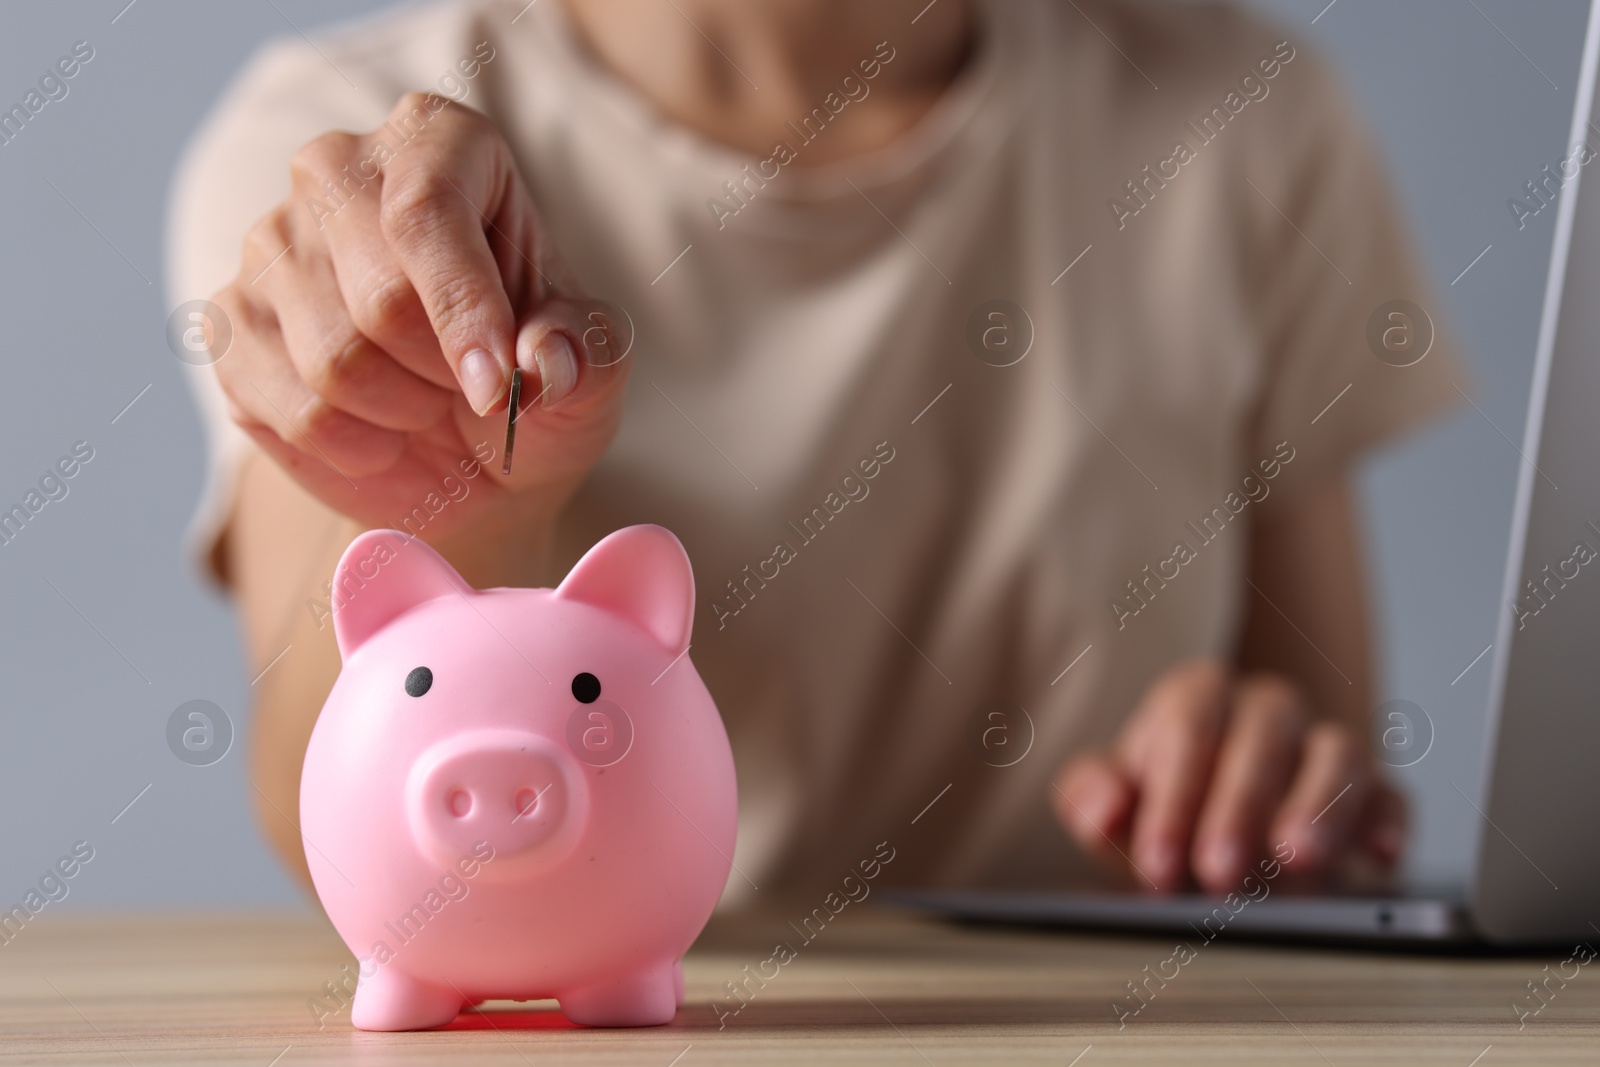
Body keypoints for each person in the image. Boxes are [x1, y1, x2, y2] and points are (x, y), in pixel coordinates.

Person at [169, 0, 1461, 902]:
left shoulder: (1243, 119)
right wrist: (467, 503)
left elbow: (1328, 776)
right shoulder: (348, 161)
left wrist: (1262, 793)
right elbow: (319, 810)